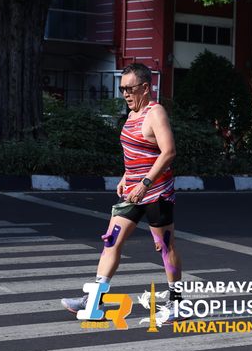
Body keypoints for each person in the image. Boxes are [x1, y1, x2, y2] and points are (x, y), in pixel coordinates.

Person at [62, 63, 183, 320]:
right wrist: (126, 177)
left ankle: (176, 303)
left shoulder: (155, 113)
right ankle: (94, 299)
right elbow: (138, 153)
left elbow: (168, 152)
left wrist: (144, 183)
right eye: (122, 89)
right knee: (111, 241)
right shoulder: (131, 114)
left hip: (156, 192)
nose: (125, 94)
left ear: (145, 87)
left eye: (130, 88)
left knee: (164, 246)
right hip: (132, 192)